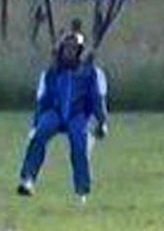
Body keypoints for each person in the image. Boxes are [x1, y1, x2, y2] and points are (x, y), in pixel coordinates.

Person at [16, 23, 109, 203]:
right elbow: (42, 100)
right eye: (66, 48)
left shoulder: (89, 74)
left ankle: (81, 190)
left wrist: (101, 122)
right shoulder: (52, 72)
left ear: (79, 51)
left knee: (79, 144)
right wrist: (35, 124)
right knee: (39, 136)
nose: (69, 52)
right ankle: (28, 179)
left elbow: (96, 99)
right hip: (55, 113)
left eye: (73, 49)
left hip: (78, 114)